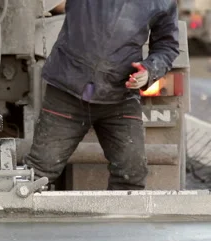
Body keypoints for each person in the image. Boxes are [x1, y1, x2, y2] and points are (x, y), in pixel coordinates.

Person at [25, 0, 180, 190]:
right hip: (67, 91)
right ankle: (25, 215)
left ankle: (120, 218)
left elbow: (167, 46)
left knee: (131, 174)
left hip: (120, 97)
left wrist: (149, 70)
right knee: (39, 173)